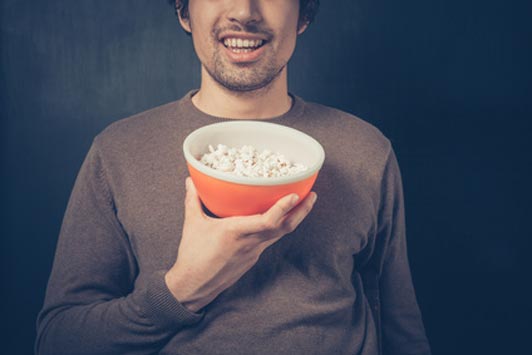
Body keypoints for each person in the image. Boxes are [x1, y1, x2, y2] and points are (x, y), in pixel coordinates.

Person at [36, 1, 431, 354]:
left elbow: (398, 324)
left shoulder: (365, 149)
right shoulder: (118, 151)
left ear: (304, 15)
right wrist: (184, 289)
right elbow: (57, 340)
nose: (245, 11)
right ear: (183, 10)